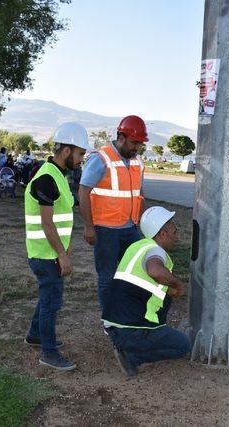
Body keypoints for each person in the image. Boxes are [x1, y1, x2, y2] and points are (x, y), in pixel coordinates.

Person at [23, 122, 89, 371]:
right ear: (67, 150)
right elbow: (47, 224)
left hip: (50, 251)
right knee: (52, 301)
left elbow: (60, 219)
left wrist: (66, 246)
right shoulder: (47, 178)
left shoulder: (56, 175)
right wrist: (62, 255)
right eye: (80, 153)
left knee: (47, 296)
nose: (81, 159)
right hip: (44, 254)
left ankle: (35, 334)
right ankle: (48, 353)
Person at [102, 206, 191, 377]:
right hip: (132, 328)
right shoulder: (156, 250)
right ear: (162, 234)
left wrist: (167, 289)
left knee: (167, 335)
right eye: (174, 232)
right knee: (183, 345)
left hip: (115, 326)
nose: (177, 236)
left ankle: (128, 346)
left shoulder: (137, 247)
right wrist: (178, 285)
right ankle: (132, 356)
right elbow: (155, 270)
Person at [78, 115, 148, 312]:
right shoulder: (101, 158)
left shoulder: (137, 162)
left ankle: (128, 313)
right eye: (134, 143)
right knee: (107, 278)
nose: (137, 148)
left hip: (131, 229)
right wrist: (89, 227)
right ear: (121, 137)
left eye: (140, 144)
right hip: (106, 230)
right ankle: (110, 321)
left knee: (135, 272)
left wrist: (141, 221)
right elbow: (84, 191)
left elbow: (139, 194)